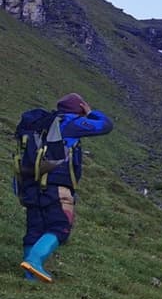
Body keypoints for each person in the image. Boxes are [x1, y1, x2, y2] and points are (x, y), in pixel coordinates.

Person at [20, 93, 113, 283]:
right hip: (56, 185)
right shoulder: (70, 123)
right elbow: (105, 125)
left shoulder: (42, 123)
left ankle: (30, 277)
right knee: (60, 226)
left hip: (30, 184)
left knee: (35, 228)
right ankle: (35, 260)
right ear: (78, 108)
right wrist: (90, 112)